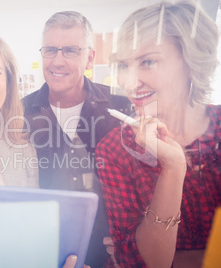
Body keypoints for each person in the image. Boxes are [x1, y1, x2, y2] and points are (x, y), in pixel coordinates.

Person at [96, 1, 220, 267]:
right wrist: (173, 168)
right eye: (123, 66)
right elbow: (144, 262)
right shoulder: (115, 148)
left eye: (148, 62)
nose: (129, 83)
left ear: (192, 61)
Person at [22, 11, 131, 267]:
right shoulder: (19, 114)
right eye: (50, 50)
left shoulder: (121, 108)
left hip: (112, 257)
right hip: (45, 255)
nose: (57, 61)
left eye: (70, 50)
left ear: (89, 58)